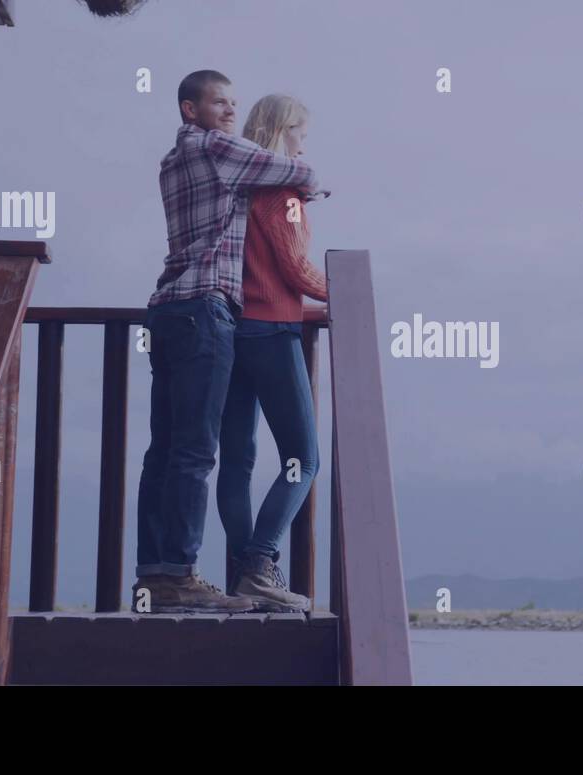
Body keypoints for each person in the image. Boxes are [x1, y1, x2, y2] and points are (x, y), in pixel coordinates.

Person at [134, 71, 319, 614]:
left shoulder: (172, 161)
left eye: (235, 102)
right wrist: (310, 183)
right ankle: (203, 573)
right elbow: (294, 170)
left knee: (165, 452)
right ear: (190, 110)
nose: (230, 110)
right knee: (199, 453)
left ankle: (157, 576)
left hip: (166, 309)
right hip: (207, 312)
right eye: (219, 102)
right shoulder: (219, 150)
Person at [218, 94, 328, 613]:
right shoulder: (283, 191)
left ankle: (244, 577)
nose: (305, 143)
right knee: (303, 459)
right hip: (271, 329)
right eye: (301, 132)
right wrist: (347, 291)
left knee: (237, 462)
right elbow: (295, 270)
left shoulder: (238, 187)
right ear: (285, 130)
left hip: (230, 330)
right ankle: (259, 564)